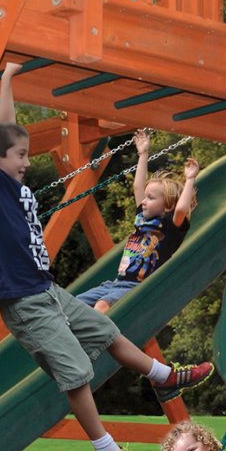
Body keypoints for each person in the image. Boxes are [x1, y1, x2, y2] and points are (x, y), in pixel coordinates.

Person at [0, 62, 212, 451]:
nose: (26, 160)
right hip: (22, 299)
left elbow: (3, 128)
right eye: (20, 156)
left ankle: (165, 378)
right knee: (78, 370)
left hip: (46, 290)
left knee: (106, 331)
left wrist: (5, 79)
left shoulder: (7, 177)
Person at [75, 129, 199, 313]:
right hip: (117, 282)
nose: (144, 201)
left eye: (150, 198)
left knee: (102, 305)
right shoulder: (142, 217)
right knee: (74, 304)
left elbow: (181, 208)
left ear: (167, 207)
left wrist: (189, 179)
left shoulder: (169, 227)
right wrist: (143, 154)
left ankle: (91, 338)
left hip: (137, 288)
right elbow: (138, 186)